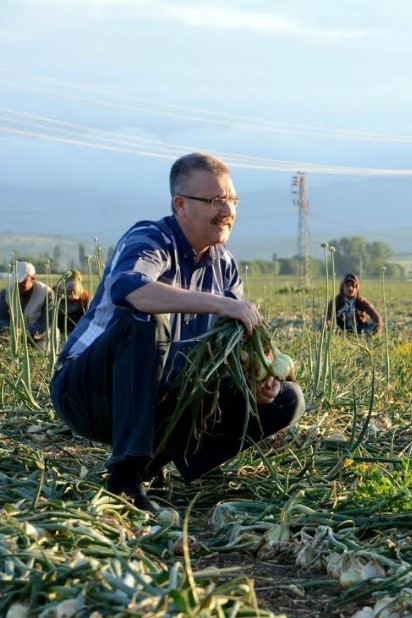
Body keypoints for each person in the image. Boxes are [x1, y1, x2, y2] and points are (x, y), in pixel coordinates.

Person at [49, 152, 305, 511]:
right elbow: (129, 290)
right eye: (215, 201)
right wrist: (219, 304)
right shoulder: (151, 239)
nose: (228, 211)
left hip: (163, 398)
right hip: (89, 391)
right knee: (146, 317)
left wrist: (257, 382)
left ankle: (155, 458)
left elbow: (232, 352)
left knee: (287, 400)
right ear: (180, 205)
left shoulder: (225, 264)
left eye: (232, 200)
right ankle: (124, 476)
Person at [0, 261, 53, 350]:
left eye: (23, 281)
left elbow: (46, 323)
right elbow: (2, 317)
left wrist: (24, 333)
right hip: (13, 337)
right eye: (17, 282)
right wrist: (8, 330)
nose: (19, 285)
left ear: (33, 278)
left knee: (43, 352)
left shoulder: (47, 293)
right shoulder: (6, 293)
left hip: (41, 337)